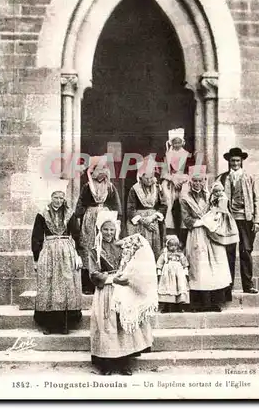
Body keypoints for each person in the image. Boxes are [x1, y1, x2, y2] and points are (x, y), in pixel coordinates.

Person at [89, 211, 155, 375]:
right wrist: (112, 280)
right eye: (105, 230)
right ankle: (106, 364)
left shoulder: (121, 246)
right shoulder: (94, 250)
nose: (109, 233)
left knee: (123, 326)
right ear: (100, 230)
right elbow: (93, 273)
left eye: (111, 230)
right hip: (106, 290)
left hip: (122, 289)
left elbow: (132, 260)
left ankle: (124, 363)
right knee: (107, 326)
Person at [31, 180, 83, 334]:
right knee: (50, 285)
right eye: (56, 198)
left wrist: (79, 254)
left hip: (66, 251)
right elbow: (37, 237)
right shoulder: (42, 214)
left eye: (61, 198)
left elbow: (77, 234)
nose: (58, 201)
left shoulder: (69, 213)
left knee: (66, 286)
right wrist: (36, 257)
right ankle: (49, 324)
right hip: (49, 251)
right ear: (51, 197)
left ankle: (65, 324)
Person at [180, 166, 232, 312]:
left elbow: (218, 209)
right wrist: (201, 222)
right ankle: (199, 302)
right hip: (197, 232)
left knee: (214, 264)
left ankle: (213, 300)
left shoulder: (210, 194)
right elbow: (186, 218)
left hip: (211, 232)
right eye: (194, 181)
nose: (197, 184)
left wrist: (214, 218)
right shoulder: (185, 198)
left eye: (200, 181)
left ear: (204, 181)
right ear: (190, 182)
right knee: (199, 265)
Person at [217, 147, 259, 294]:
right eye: (232, 161)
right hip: (229, 219)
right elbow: (215, 198)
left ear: (241, 161)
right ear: (229, 162)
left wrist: (257, 221)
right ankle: (227, 286)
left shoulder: (249, 177)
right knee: (228, 252)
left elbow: (256, 199)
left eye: (237, 160)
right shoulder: (222, 178)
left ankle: (247, 285)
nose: (235, 163)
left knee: (246, 251)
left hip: (246, 219)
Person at [75, 156, 122, 294]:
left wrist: (115, 219)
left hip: (105, 219)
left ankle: (107, 280)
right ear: (94, 170)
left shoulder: (110, 187)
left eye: (104, 168)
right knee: (90, 248)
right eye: (98, 169)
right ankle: (88, 285)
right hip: (90, 220)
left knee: (105, 248)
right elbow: (81, 204)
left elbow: (116, 205)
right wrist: (83, 215)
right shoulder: (87, 186)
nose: (102, 172)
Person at [126, 156, 167, 260]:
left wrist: (152, 218)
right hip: (140, 224)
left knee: (155, 251)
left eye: (151, 177)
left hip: (154, 222)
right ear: (141, 177)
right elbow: (130, 209)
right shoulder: (134, 189)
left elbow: (163, 205)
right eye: (146, 178)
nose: (149, 180)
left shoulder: (158, 187)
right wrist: (144, 221)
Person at [161, 128, 190, 243]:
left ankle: (183, 236)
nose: (176, 144)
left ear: (182, 142)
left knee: (185, 204)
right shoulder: (167, 155)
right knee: (168, 205)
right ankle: (170, 235)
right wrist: (173, 179)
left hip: (184, 182)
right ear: (171, 142)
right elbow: (164, 173)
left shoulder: (187, 155)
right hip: (170, 183)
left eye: (179, 142)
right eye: (174, 142)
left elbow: (192, 171)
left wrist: (182, 180)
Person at [156, 235, 190, 313]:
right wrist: (159, 272)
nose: (173, 247)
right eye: (171, 245)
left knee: (179, 287)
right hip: (168, 274)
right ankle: (167, 306)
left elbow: (184, 264)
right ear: (167, 245)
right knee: (168, 287)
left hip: (178, 274)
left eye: (175, 245)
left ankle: (179, 306)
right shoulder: (164, 254)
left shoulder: (180, 254)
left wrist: (185, 272)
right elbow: (159, 263)